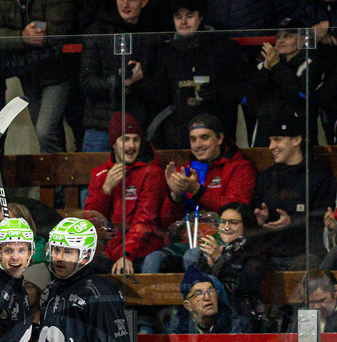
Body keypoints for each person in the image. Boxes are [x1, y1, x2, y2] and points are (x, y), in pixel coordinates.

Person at [146, 113, 257, 273]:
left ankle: (200, 297)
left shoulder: (240, 168)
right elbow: (167, 224)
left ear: (219, 139)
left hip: (221, 243)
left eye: (204, 137)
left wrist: (196, 191)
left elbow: (236, 210)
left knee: (193, 256)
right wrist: (175, 196)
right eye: (193, 139)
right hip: (186, 242)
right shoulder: (184, 171)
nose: (198, 144)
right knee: (153, 259)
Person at [146, 0, 249, 151]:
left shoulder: (224, 48)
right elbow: (159, 98)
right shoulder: (166, 54)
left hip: (218, 135)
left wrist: (217, 92)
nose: (183, 22)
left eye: (189, 16)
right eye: (178, 16)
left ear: (201, 17)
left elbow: (244, 89)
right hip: (179, 137)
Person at [0, 0, 78, 153]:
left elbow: (62, 27)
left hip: (57, 71)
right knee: (46, 133)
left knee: (45, 131)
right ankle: (57, 172)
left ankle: (56, 173)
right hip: (28, 73)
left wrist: (37, 34)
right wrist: (21, 36)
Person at [84, 111, 167, 275]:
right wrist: (105, 190)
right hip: (111, 253)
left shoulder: (152, 173)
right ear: (113, 144)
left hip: (142, 251)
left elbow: (145, 220)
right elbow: (91, 222)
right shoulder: (101, 174)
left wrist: (126, 253)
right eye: (125, 139)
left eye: (136, 139)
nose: (131, 146)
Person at [251, 115, 337, 269]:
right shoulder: (266, 177)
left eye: (277, 139)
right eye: (270, 140)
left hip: (303, 254)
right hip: (269, 254)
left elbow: (322, 224)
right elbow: (254, 218)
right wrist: (260, 219)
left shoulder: (319, 177)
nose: (271, 146)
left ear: (296, 140)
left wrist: (292, 223)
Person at [79, 0, 156, 152]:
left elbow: (158, 88)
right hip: (101, 127)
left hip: (137, 127)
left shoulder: (151, 33)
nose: (125, 4)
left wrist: (138, 80)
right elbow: (87, 82)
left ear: (144, 2)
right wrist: (119, 81)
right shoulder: (97, 31)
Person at [181, 203, 269, 330]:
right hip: (210, 319)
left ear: (246, 225)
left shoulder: (256, 252)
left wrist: (219, 260)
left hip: (242, 319)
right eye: (223, 222)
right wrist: (209, 263)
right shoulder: (216, 250)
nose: (226, 227)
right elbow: (197, 286)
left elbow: (245, 287)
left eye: (233, 223)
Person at [246, 17, 321, 146]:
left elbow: (300, 94)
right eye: (278, 37)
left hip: (295, 134)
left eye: (287, 36)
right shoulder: (266, 65)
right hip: (266, 132)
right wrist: (266, 69)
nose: (280, 41)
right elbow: (250, 96)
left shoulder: (311, 64)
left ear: (302, 40)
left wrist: (277, 66)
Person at [162, 265, 260, 342]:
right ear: (188, 305)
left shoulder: (238, 327)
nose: (207, 297)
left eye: (210, 291)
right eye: (199, 293)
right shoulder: (174, 331)